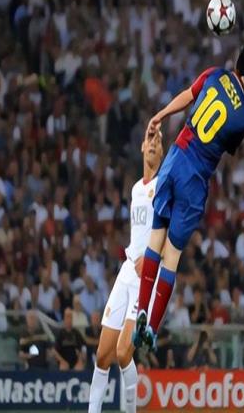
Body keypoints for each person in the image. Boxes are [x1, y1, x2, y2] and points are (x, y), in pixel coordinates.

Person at [134, 45, 244, 349]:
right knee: (172, 255)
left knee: (155, 238)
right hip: (195, 179)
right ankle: (152, 328)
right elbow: (225, 147)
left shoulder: (215, 74)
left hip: (176, 158)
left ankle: (141, 307)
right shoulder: (243, 119)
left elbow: (187, 96)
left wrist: (160, 115)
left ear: (236, 64)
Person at [88, 130, 163, 413]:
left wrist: (153, 257)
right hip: (128, 270)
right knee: (102, 355)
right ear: (142, 146)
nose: (153, 143)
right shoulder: (135, 189)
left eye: (158, 141)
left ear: (162, 152)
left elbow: (171, 233)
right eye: (150, 139)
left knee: (123, 352)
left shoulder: (164, 185)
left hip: (148, 276)